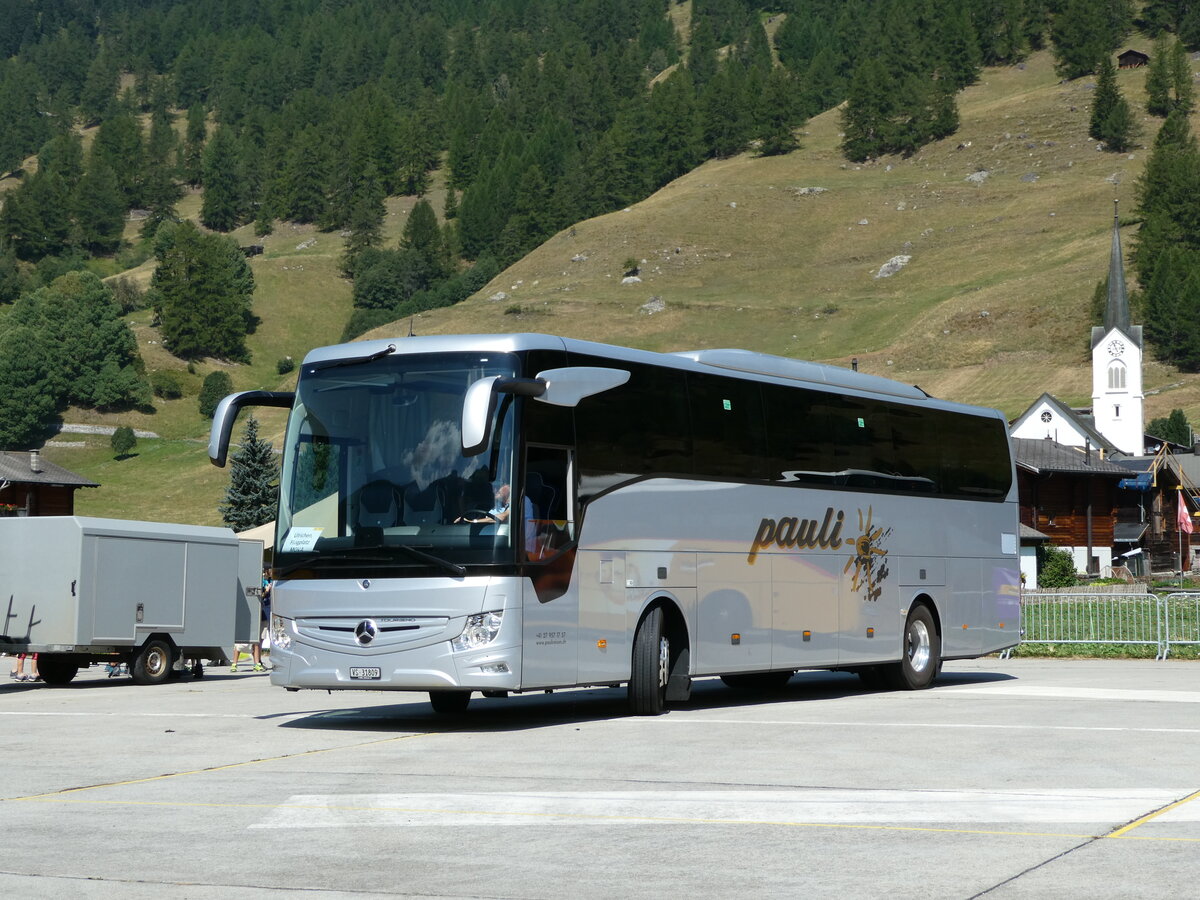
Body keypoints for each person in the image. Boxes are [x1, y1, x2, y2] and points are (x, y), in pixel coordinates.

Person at [232, 568, 272, 673]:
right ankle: (234, 663)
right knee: (244, 642)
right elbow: (259, 597)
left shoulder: (270, 581)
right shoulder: (259, 582)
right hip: (255, 614)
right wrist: (266, 591)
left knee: (259, 640)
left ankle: (257, 662)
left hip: (264, 615)